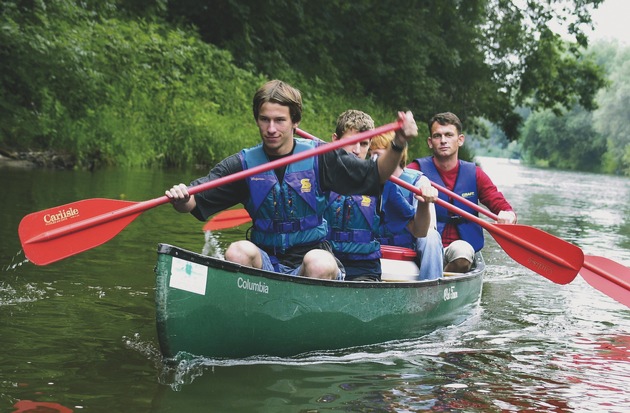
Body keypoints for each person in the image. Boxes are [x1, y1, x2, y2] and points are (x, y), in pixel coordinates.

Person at [165, 80, 418, 280]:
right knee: (237, 251)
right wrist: (181, 198)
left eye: (279, 120)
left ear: (295, 122)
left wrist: (398, 143)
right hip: (266, 262)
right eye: (265, 120)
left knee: (318, 263)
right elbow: (195, 201)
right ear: (257, 120)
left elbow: (375, 176)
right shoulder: (242, 165)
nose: (271, 129)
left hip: (312, 260)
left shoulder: (321, 157)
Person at [407, 112, 516, 272]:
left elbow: (501, 205)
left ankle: (439, 277)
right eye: (437, 136)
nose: (443, 140)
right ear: (430, 142)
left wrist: (509, 215)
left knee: (463, 253)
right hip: (424, 246)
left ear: (460, 140)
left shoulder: (475, 174)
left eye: (449, 135)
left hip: (459, 250)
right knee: (430, 241)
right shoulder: (415, 171)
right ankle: (435, 276)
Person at [369, 131, 444, 280]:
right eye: (370, 154)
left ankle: (430, 289)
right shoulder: (365, 179)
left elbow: (425, 231)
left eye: (377, 154)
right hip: (374, 250)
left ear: (395, 154)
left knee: (431, 236)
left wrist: (425, 200)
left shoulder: (418, 183)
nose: (372, 159)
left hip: (410, 251)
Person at [323, 110, 383, 281]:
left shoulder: (381, 181)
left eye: (364, 144)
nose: (357, 150)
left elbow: (418, 229)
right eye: (351, 142)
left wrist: (422, 192)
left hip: (364, 268)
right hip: (325, 261)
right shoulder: (318, 172)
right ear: (335, 140)